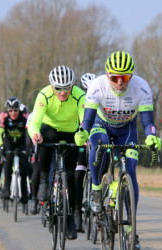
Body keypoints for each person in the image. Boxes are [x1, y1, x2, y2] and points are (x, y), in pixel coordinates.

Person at [74, 51, 162, 249]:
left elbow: (148, 121)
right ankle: (96, 189)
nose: (120, 82)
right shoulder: (97, 86)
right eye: (115, 78)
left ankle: (131, 228)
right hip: (101, 125)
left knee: (130, 171)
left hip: (127, 129)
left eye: (125, 78)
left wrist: (151, 135)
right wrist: (82, 133)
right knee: (98, 148)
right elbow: (87, 121)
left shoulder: (142, 87)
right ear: (107, 76)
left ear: (131, 76)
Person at [28, 65, 85, 240]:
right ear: (52, 86)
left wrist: (83, 134)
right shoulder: (44, 94)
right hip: (49, 128)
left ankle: (71, 221)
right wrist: (35, 133)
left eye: (67, 88)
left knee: (71, 177)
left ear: (72, 86)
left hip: (70, 132)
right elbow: (35, 121)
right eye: (58, 88)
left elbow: (85, 120)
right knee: (47, 138)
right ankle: (44, 180)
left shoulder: (79, 95)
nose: (62, 92)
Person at [0, 97, 30, 205]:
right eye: (10, 110)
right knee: (8, 160)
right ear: (7, 110)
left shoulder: (25, 116)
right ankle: (6, 189)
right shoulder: (3, 116)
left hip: (22, 142)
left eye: (15, 110)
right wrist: (0, 146)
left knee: (24, 165)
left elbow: (30, 131)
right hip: (8, 142)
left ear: (19, 109)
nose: (13, 113)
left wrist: (30, 147)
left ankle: (24, 192)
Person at [73, 72, 96, 232]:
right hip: (79, 139)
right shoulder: (78, 102)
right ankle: (77, 215)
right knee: (78, 175)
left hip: (95, 138)